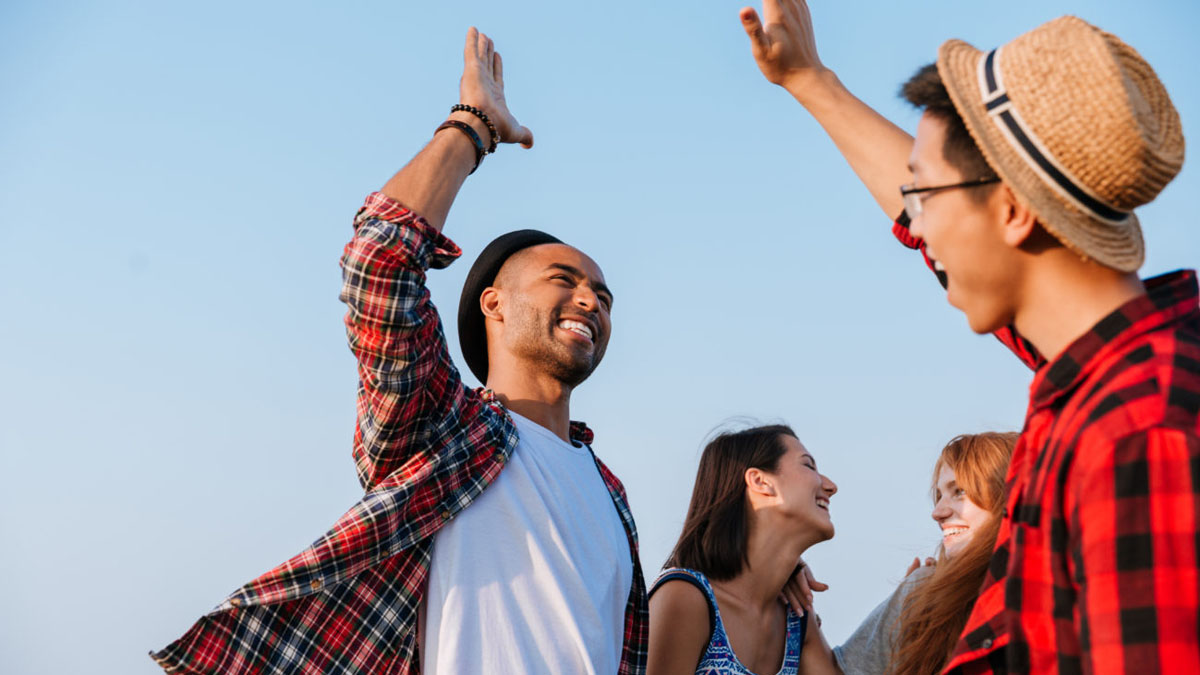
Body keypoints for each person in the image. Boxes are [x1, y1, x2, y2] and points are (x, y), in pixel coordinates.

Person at [152, 28, 647, 674]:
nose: (592, 301)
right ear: (493, 304)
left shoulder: (610, 496)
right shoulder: (444, 426)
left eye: (604, 296)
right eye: (565, 281)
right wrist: (471, 128)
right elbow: (378, 262)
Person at [739, 1, 1200, 672]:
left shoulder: (1137, 433)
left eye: (925, 196)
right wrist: (812, 81)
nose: (917, 228)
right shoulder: (1101, 375)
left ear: (1012, 211)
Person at [796, 432, 1017, 675]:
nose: (938, 512)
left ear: (1007, 494)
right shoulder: (924, 593)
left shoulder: (1052, 593)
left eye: (960, 492)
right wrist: (795, 595)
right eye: (939, 495)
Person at [647, 424, 837, 674]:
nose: (831, 486)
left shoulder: (797, 620)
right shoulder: (686, 597)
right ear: (760, 481)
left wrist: (907, 591)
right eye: (808, 465)